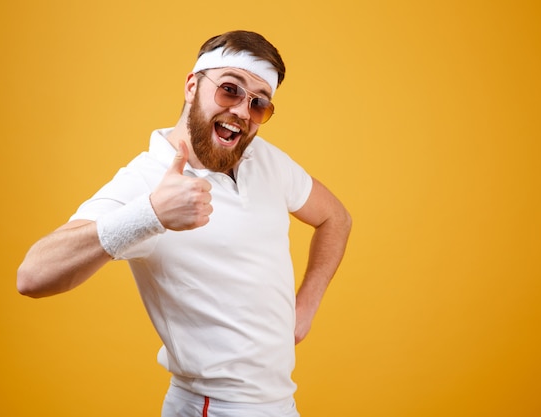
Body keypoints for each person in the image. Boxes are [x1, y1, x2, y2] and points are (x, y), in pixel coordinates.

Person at [17, 30, 352, 417]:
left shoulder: (265, 159)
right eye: (230, 89)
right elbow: (32, 276)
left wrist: (306, 305)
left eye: (259, 104)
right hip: (215, 407)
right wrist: (151, 214)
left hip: (280, 404)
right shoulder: (147, 181)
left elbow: (335, 217)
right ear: (193, 86)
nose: (244, 111)